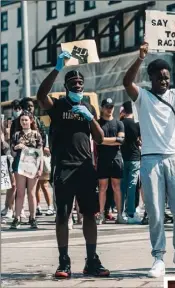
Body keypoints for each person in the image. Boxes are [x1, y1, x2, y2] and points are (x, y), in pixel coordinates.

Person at [123, 40, 175, 277]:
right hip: (149, 160)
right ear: (151, 77)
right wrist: (140, 57)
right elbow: (126, 82)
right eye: (160, 76)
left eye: (167, 76)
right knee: (156, 211)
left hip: (174, 157)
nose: (164, 80)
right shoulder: (142, 97)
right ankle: (158, 257)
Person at [37, 51, 109, 278]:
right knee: (63, 215)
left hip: (85, 168)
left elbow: (98, 139)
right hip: (64, 168)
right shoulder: (57, 106)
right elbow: (41, 95)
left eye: (80, 82)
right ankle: (64, 262)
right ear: (67, 86)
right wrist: (58, 67)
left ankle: (92, 260)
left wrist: (91, 118)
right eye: (73, 83)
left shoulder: (88, 106)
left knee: (90, 215)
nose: (78, 85)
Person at [10, 111, 43, 229]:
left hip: (32, 166)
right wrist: (15, 148)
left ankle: (32, 218)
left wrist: (41, 168)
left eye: (26, 120)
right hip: (19, 166)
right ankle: (16, 218)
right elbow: (13, 153)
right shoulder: (16, 134)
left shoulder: (36, 134)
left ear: (31, 121)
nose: (24, 122)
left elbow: (40, 153)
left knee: (32, 193)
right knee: (20, 193)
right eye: (22, 120)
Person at [96, 98, 126, 225]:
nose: (109, 109)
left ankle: (119, 214)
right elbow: (97, 140)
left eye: (111, 106)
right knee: (102, 187)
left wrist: (104, 140)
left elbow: (121, 140)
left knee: (116, 187)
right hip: (102, 159)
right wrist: (113, 140)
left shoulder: (119, 123)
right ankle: (101, 214)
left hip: (116, 159)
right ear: (102, 108)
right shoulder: (98, 123)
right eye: (107, 106)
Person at [120, 101, 142, 224]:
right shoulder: (137, 124)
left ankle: (120, 210)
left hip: (122, 156)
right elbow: (140, 140)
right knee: (132, 185)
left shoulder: (120, 123)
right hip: (134, 157)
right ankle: (131, 211)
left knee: (122, 185)